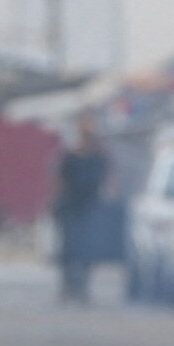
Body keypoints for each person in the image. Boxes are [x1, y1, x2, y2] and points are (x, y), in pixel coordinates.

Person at [53, 115, 108, 305]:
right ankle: (68, 287)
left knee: (87, 252)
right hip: (70, 208)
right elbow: (58, 181)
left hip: (89, 209)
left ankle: (82, 287)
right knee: (68, 251)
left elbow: (106, 182)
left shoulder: (98, 158)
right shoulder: (69, 157)